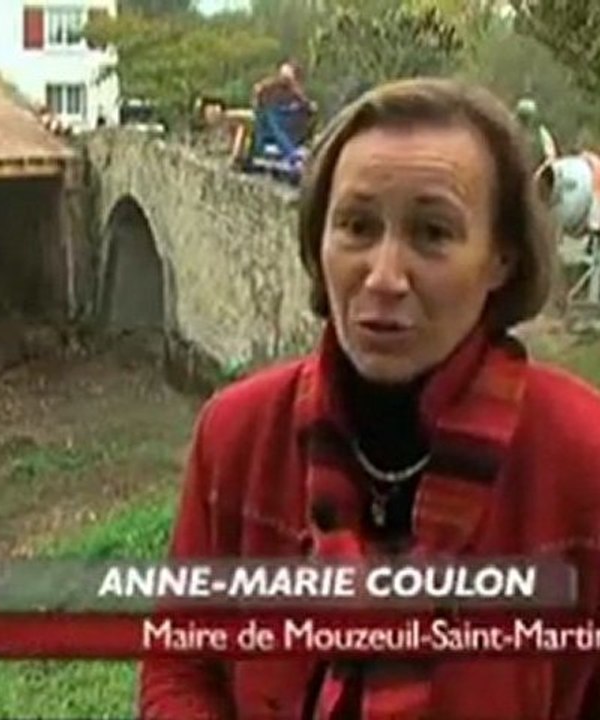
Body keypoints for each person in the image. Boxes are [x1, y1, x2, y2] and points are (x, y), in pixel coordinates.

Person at [139, 78, 600, 718]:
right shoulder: (237, 434)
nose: (383, 277)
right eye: (356, 226)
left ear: (501, 257)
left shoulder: (581, 457)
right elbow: (181, 666)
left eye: (433, 233)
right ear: (317, 239)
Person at [516, 97, 558, 172]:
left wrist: (540, 172)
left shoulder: (540, 133)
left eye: (527, 117)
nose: (526, 121)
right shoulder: (512, 129)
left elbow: (550, 156)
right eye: (523, 117)